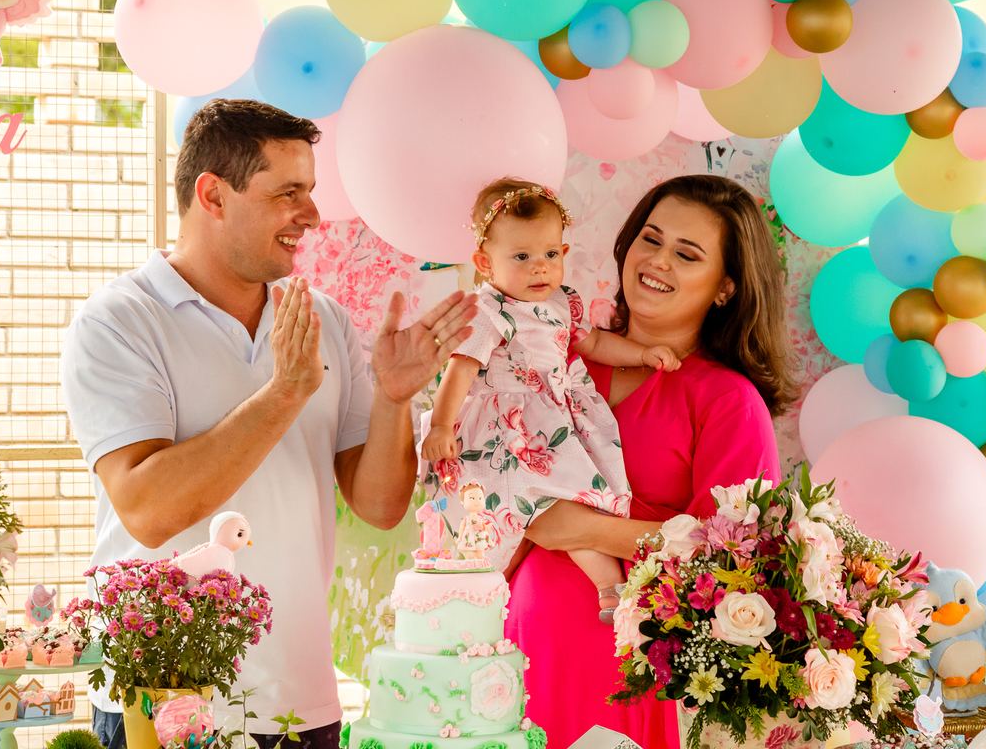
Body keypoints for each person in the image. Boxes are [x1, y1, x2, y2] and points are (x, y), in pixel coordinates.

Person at [61, 100, 478, 749]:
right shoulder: (118, 322)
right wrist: (284, 393)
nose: (311, 216)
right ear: (214, 195)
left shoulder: (328, 322)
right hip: (164, 699)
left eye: (310, 192)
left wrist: (396, 401)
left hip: (301, 701)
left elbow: (380, 507)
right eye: (289, 193)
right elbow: (147, 509)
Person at [503, 175, 798, 749]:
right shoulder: (554, 361)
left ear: (725, 288)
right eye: (651, 239)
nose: (657, 261)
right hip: (517, 654)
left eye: (687, 254)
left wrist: (581, 529)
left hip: (632, 678)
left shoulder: (727, 402)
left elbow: (733, 558)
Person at [418, 179, 679, 621]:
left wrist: (639, 354)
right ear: (485, 262)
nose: (540, 268)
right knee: (528, 509)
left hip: (555, 422)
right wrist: (442, 426)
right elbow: (460, 368)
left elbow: (593, 343)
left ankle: (608, 586)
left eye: (550, 254)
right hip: (507, 428)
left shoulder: (563, 302)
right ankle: (584, 587)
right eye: (521, 257)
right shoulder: (488, 310)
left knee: (573, 505)